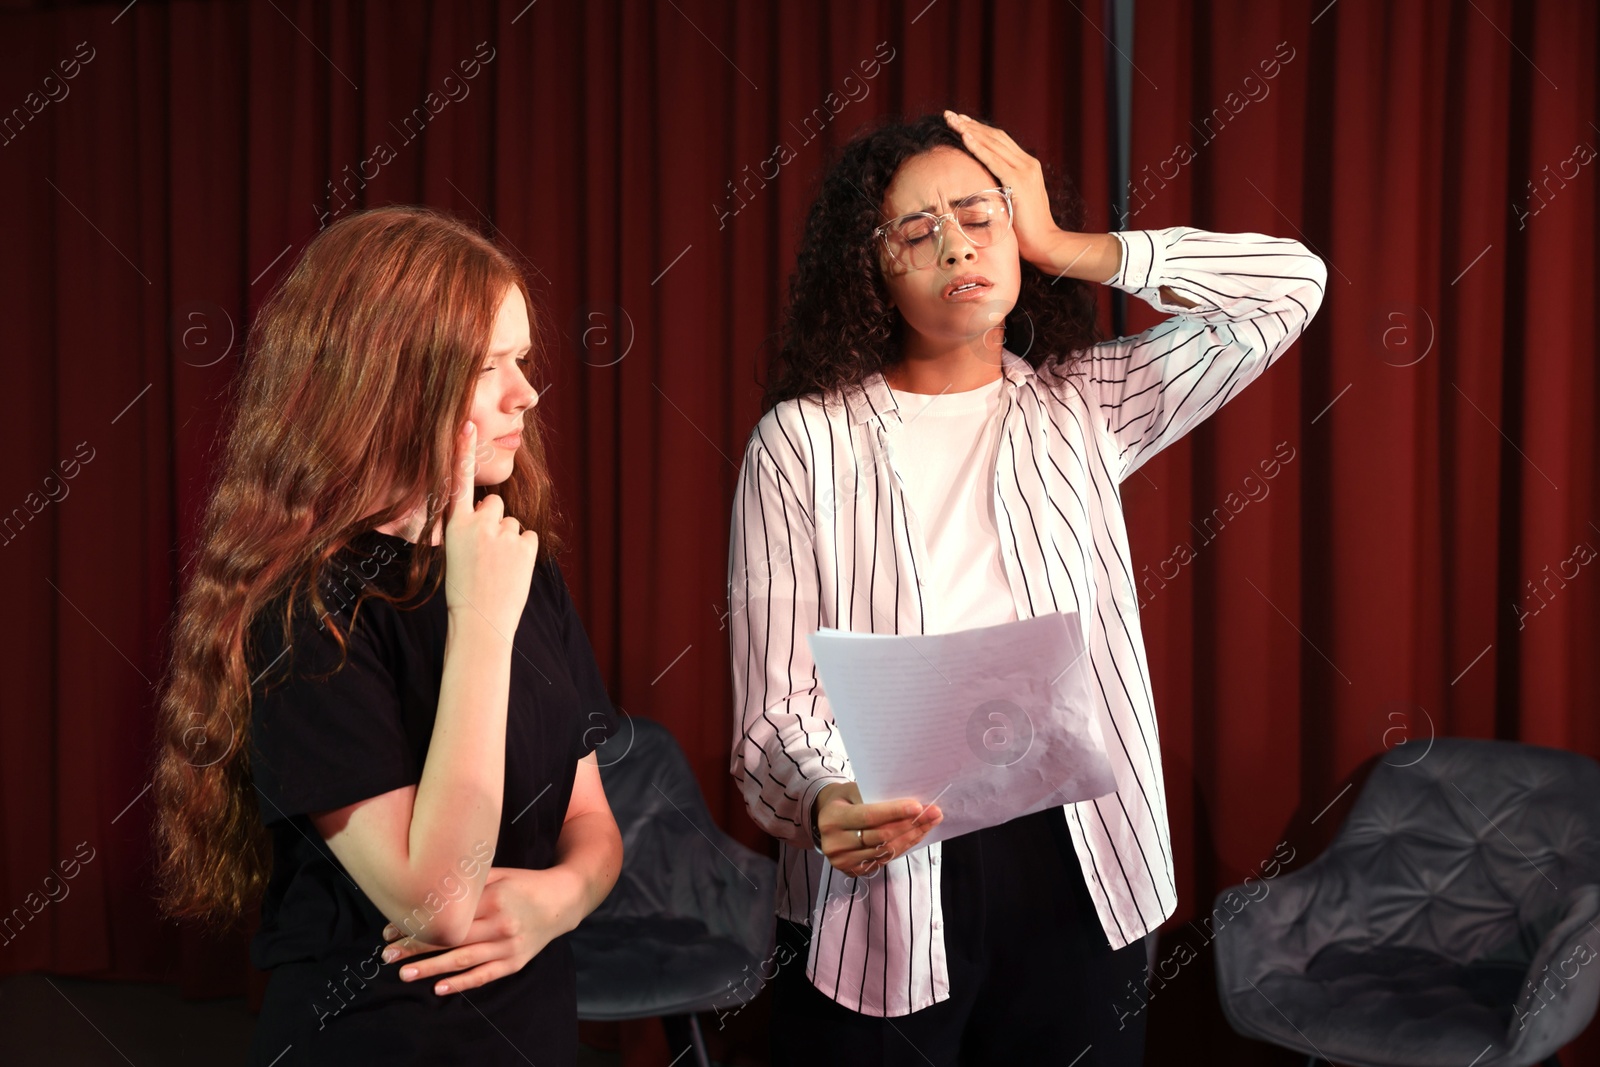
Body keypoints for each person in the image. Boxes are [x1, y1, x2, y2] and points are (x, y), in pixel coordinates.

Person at [726, 111, 1326, 1065]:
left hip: (1081, 856)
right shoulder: (802, 442)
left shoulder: (1083, 404)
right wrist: (824, 799)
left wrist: (1064, 244)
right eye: (916, 232)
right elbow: (775, 711)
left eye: (979, 214)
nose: (956, 243)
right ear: (873, 268)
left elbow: (1290, 288)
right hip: (891, 868)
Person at [151, 206, 623, 1066]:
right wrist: (479, 624)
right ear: (395, 385)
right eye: (491, 368)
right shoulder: (307, 611)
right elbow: (436, 903)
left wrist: (555, 901)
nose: (529, 393)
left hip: (531, 1029)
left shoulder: (513, 557)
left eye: (522, 360)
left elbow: (591, 819)